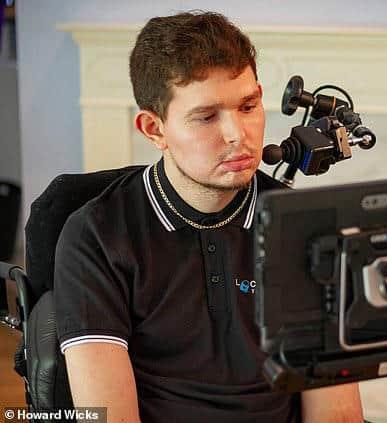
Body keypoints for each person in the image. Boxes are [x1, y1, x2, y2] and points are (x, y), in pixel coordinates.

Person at [54, 11, 363, 422]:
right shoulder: (96, 236)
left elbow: (335, 414)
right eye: (206, 117)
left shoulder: (306, 229)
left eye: (249, 106)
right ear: (154, 129)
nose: (238, 134)